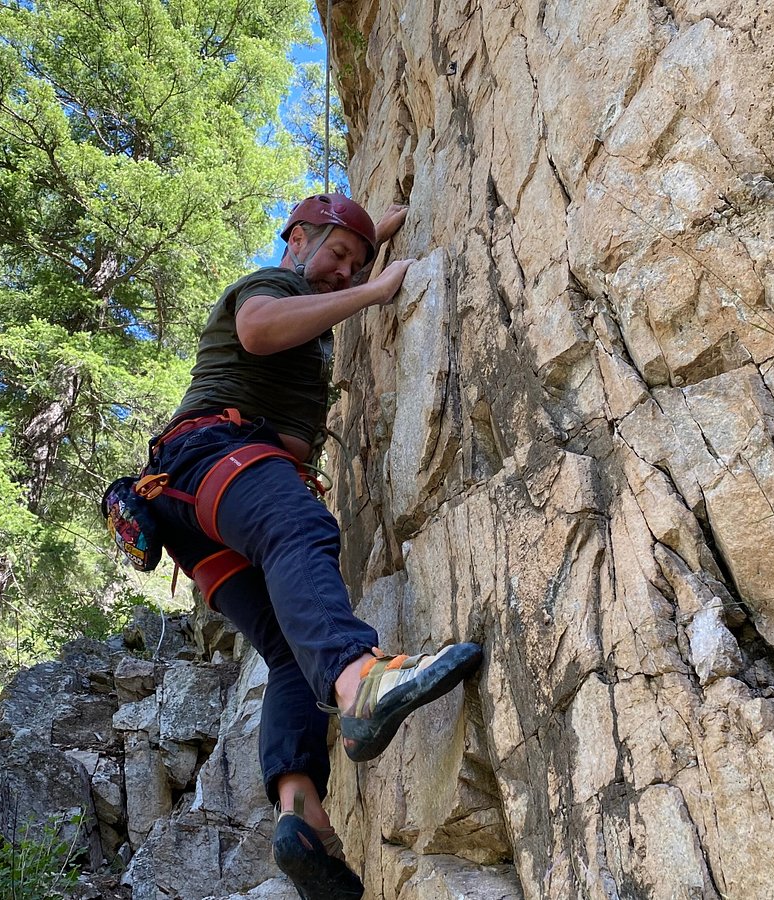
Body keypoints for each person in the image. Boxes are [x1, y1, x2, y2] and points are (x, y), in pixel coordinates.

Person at [145, 193, 482, 899]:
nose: (343, 271)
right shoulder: (272, 285)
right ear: (295, 239)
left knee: (292, 660)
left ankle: (301, 814)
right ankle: (362, 684)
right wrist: (372, 289)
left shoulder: (317, 277)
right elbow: (261, 329)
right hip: (219, 457)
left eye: (355, 262)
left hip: (190, 500)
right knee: (298, 528)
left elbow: (342, 258)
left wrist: (370, 235)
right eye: (333, 253)